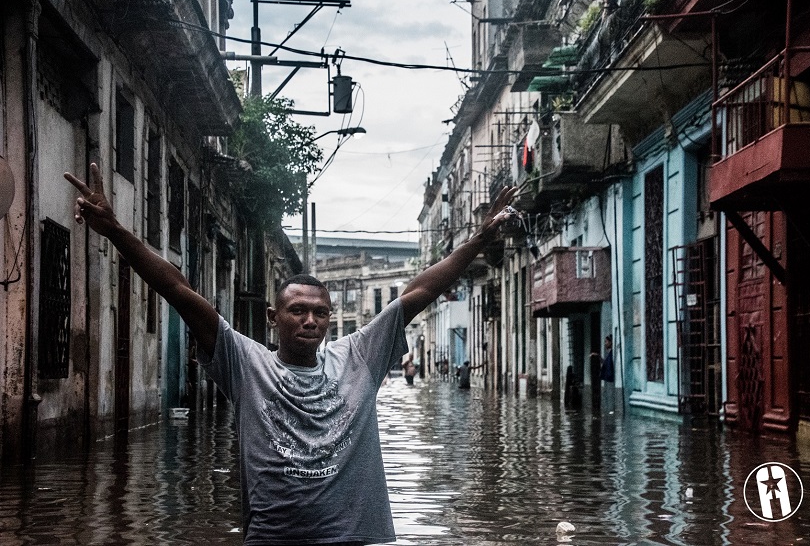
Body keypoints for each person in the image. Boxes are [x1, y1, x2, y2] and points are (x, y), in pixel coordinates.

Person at [64, 163, 517, 546]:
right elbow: (178, 290)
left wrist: (479, 239)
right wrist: (116, 231)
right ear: (272, 317)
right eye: (298, 311)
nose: (310, 321)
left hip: (350, 537)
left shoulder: (359, 356)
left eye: (320, 313)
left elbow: (421, 290)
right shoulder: (247, 363)